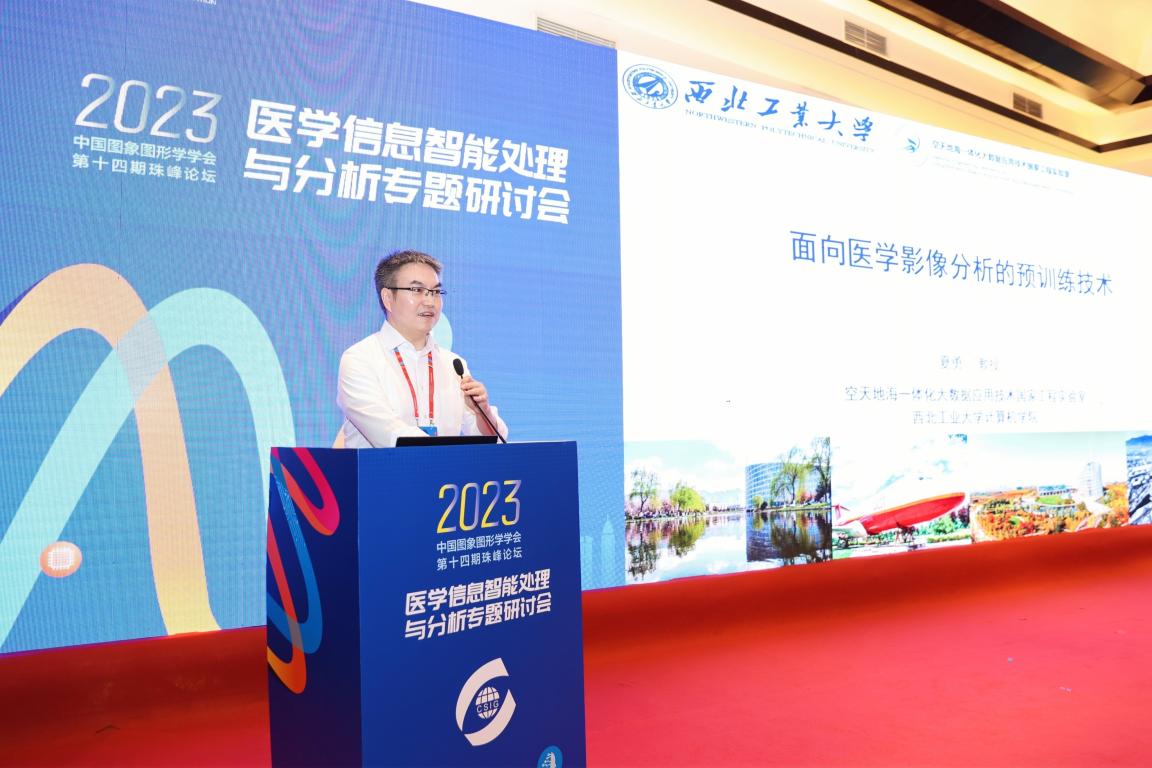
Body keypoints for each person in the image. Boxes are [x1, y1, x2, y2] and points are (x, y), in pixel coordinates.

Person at [337, 250, 507, 447]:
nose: (429, 301)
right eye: (417, 290)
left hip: (444, 468)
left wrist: (482, 412)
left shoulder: (454, 364)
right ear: (388, 298)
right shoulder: (360, 359)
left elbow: (494, 442)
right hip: (384, 468)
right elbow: (389, 435)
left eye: (435, 292)